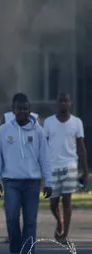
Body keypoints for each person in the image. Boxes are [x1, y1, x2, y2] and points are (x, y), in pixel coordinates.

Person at [0, 93, 52, 254]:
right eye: (19, 109)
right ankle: (16, 251)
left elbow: (45, 158)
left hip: (32, 182)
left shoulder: (38, 131)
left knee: (30, 221)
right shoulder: (4, 131)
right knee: (11, 218)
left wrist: (49, 181)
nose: (23, 112)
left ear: (30, 110)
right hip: (11, 182)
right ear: (13, 110)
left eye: (26, 109)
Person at [42, 92, 88, 244]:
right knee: (53, 202)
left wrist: (85, 170)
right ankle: (59, 221)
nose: (63, 104)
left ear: (71, 104)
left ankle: (65, 234)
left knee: (67, 200)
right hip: (52, 166)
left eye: (66, 101)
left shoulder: (77, 123)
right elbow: (43, 146)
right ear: (57, 103)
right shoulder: (48, 122)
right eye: (60, 101)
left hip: (70, 165)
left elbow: (81, 147)